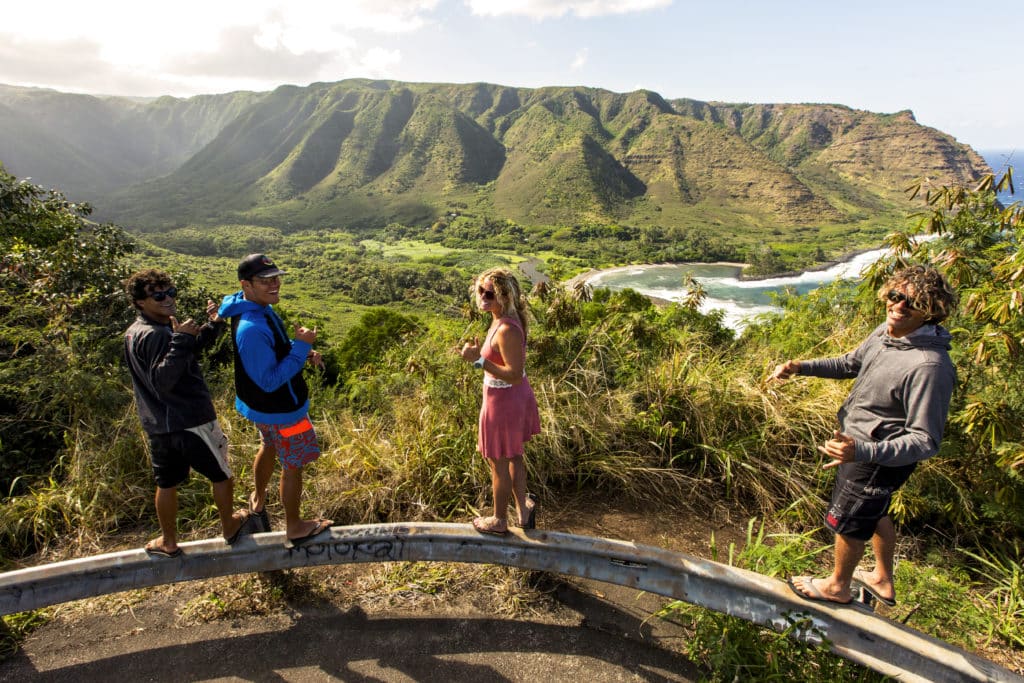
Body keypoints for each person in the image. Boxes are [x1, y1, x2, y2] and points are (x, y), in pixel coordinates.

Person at [770, 265, 957, 608]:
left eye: (912, 303)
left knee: (850, 521)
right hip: (859, 449)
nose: (899, 306)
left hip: (874, 459)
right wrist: (801, 367)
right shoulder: (886, 334)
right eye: (895, 296)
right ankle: (882, 578)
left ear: (932, 310)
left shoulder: (929, 366)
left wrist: (863, 451)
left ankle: (837, 587)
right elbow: (848, 364)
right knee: (874, 511)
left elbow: (925, 440)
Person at [124, 269, 250, 558]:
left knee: (166, 482)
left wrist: (212, 325)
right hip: (189, 420)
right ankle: (229, 526)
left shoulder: (137, 331)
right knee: (222, 475)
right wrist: (180, 339)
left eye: (170, 292)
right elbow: (163, 382)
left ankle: (168, 541)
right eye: (158, 295)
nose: (168, 298)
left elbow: (185, 354)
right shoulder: (156, 334)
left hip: (159, 425)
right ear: (140, 302)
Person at [218, 254, 333, 547]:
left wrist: (300, 353)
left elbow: (271, 353)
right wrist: (302, 346)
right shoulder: (251, 327)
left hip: (262, 409)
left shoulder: (252, 305)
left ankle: (258, 498)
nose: (275, 284)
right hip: (282, 410)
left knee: (268, 445)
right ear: (247, 284)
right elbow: (269, 381)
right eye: (265, 280)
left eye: (276, 278)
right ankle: (294, 526)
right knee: (292, 465)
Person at [459, 268, 542, 535]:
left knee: (498, 462)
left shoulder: (507, 328)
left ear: (504, 296)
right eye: (481, 291)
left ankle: (498, 520)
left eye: (489, 293)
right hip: (505, 398)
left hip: (504, 400)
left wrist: (479, 361)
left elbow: (515, 374)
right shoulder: (500, 318)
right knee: (514, 456)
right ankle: (523, 509)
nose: (483, 296)